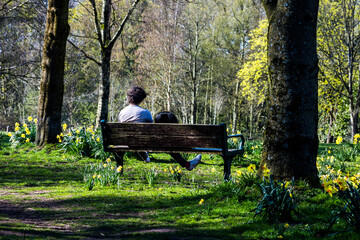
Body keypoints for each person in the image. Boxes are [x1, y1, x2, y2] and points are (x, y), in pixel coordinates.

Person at [118, 86, 201, 171]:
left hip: (125, 142)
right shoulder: (145, 113)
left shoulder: (122, 112)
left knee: (134, 139)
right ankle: (186, 164)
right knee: (165, 142)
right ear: (141, 99)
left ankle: (119, 170)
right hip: (143, 142)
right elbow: (151, 128)